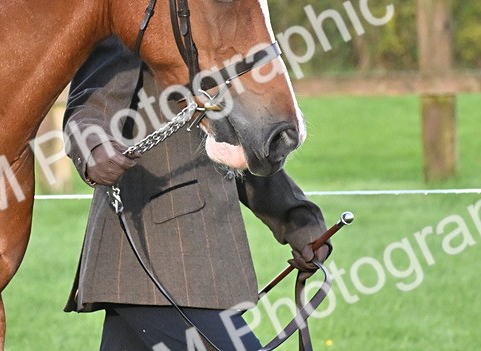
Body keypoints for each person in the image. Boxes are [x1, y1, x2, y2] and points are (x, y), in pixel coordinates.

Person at [63, 37, 330, 351]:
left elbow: (238, 145)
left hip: (196, 268)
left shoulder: (212, 36)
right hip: (148, 258)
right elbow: (87, 110)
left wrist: (299, 222)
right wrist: (93, 149)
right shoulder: (130, 31)